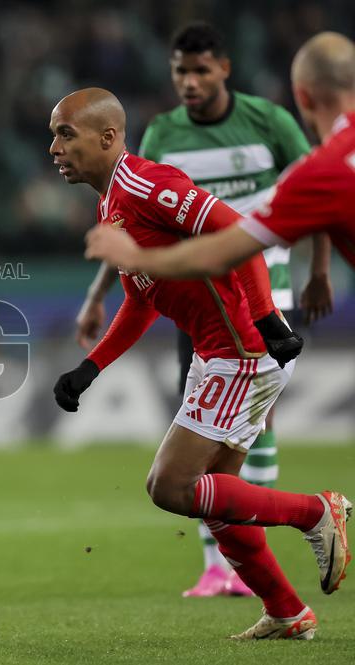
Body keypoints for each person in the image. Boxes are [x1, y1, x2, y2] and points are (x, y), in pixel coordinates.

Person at [50, 87, 350, 640]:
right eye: (54, 135)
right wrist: (90, 368)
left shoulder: (146, 184)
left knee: (170, 485)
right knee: (216, 499)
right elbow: (143, 299)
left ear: (108, 138)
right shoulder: (111, 201)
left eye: (66, 133)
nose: (55, 147)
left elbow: (242, 236)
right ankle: (287, 612)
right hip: (218, 353)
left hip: (240, 350)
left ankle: (316, 511)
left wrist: (264, 318)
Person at [85, 32, 355, 277]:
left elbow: (220, 255)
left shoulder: (318, 173)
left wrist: (134, 257)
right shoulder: (161, 133)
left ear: (303, 97)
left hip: (262, 293)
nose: (191, 83)